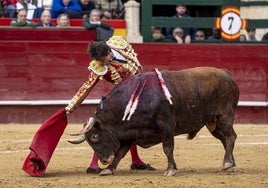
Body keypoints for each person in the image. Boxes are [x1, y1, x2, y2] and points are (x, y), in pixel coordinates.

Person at [65, 36, 155, 174]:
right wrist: (70, 107)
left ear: (109, 52)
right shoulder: (98, 66)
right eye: (99, 61)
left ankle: (136, 161)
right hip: (120, 99)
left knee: (132, 128)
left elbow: (135, 64)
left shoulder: (119, 43)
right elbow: (86, 87)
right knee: (106, 129)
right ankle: (93, 164)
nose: (102, 63)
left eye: (103, 59)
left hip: (137, 94)